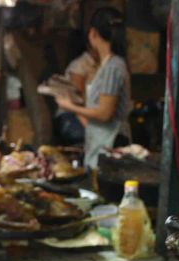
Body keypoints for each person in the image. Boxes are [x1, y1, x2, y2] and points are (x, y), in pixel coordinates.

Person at [56, 7, 131, 168]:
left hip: (110, 143)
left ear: (93, 33)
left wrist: (70, 106)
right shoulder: (108, 65)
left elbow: (105, 114)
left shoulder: (113, 67)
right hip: (101, 142)